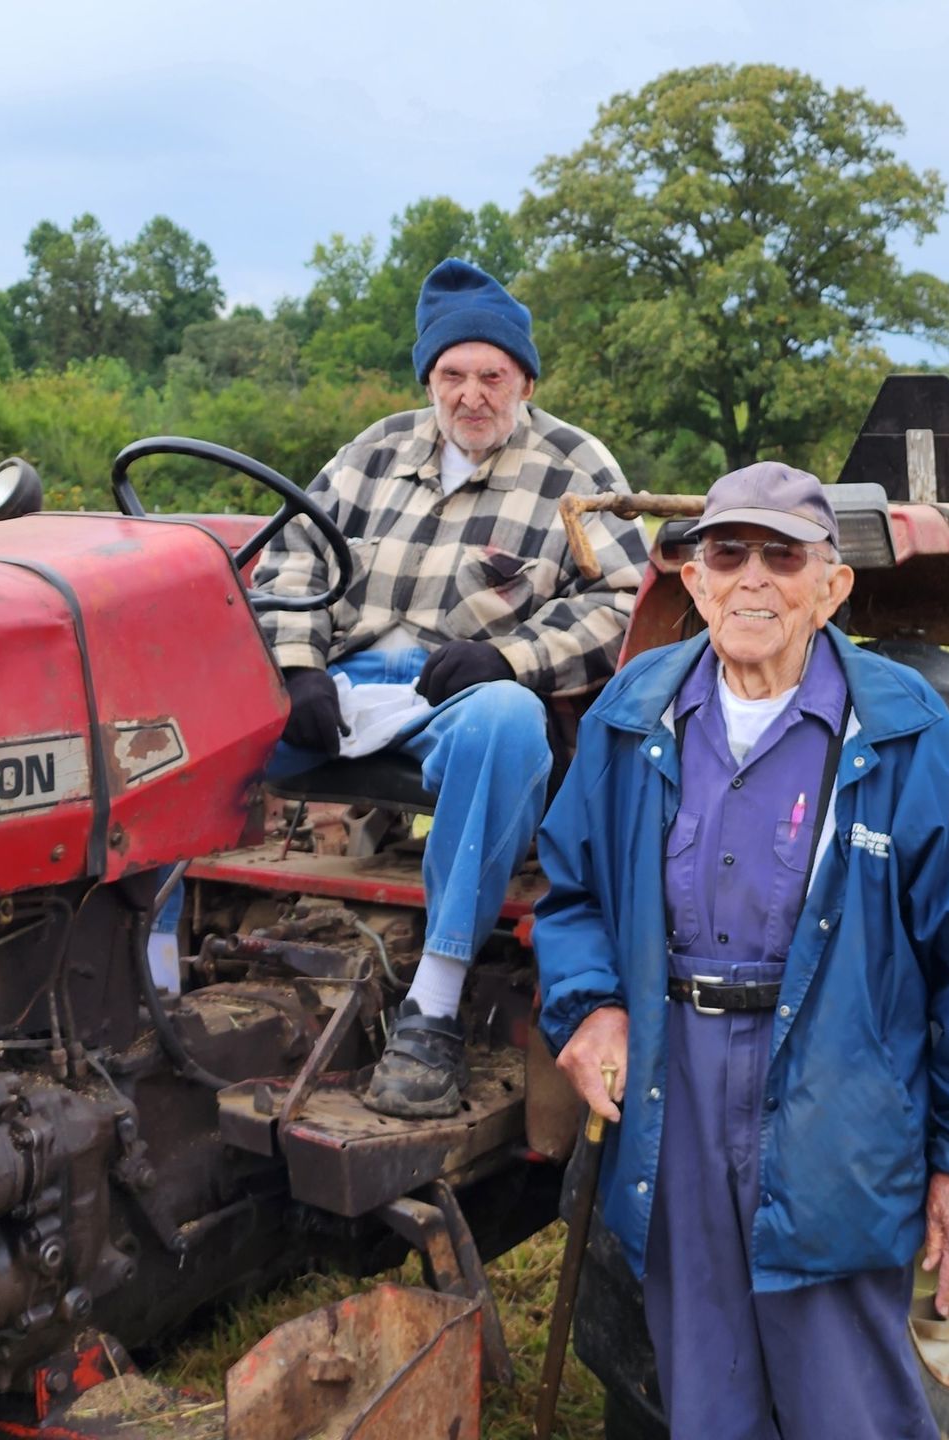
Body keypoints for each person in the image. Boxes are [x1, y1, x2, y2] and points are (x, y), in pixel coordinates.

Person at [534, 462, 949, 1437]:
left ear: (834, 586)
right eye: (729, 553)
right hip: (675, 1089)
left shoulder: (902, 733)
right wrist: (589, 1000)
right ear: (693, 577)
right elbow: (572, 889)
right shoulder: (635, 711)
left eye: (785, 555)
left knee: (846, 1406)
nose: (754, 579)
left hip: (836, 1102)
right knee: (706, 1401)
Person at [250, 257, 650, 1120]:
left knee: (510, 723)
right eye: (452, 375)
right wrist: (297, 665)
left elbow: (626, 602)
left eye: (491, 376)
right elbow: (292, 553)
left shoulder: (575, 467)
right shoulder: (376, 450)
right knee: (186, 709)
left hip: (459, 696)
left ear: (525, 380)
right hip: (343, 682)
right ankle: (154, 949)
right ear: (430, 378)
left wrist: (510, 659)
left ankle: (432, 1008)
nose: (471, 394)